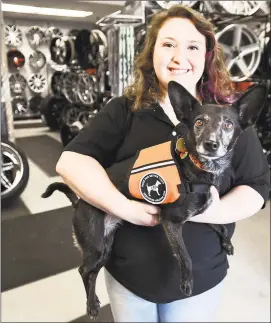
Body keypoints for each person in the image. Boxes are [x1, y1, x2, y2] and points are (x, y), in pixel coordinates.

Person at [56, 5, 270, 322]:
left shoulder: (229, 118)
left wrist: (211, 211)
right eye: (168, 44)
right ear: (151, 50)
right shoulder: (125, 110)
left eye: (193, 47)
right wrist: (125, 208)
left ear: (208, 55)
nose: (178, 57)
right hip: (129, 276)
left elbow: (257, 186)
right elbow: (70, 162)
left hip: (200, 278)